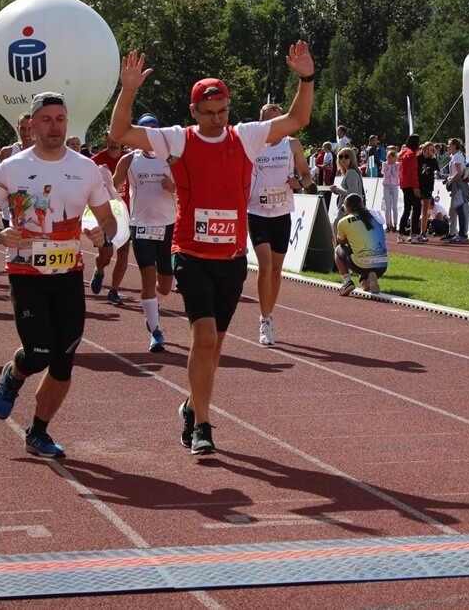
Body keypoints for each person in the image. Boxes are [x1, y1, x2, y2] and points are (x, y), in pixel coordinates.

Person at [110, 41, 315, 455]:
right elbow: (120, 134)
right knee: (203, 339)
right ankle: (204, 424)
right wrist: (128, 89)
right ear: (194, 112)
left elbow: (298, 118)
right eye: (208, 114)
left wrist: (306, 78)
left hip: (232, 260)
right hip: (191, 255)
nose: (217, 120)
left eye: (222, 112)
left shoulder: (246, 136)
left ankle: (190, 404)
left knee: (215, 347)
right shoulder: (177, 140)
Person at [0, 92, 116, 458]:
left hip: (68, 276)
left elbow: (108, 217)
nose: (55, 126)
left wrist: (104, 233)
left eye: (61, 119)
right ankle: (14, 375)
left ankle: (38, 432)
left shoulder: (86, 168)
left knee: (64, 359)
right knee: (38, 353)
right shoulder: (12, 167)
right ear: (32, 124)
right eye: (47, 120)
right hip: (26, 274)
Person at [247, 102, 313, 346]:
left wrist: (299, 181)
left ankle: (268, 314)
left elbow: (306, 175)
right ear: (262, 123)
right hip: (256, 212)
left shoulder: (292, 145)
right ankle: (264, 321)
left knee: (276, 271)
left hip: (282, 213)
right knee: (264, 267)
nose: (276, 125)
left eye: (279, 120)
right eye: (271, 121)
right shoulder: (253, 145)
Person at [112, 113, 177, 352]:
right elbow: (113, 186)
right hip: (141, 225)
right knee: (148, 278)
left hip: (168, 224)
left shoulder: (171, 159)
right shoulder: (129, 160)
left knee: (166, 284)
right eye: (145, 131)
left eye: (154, 130)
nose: (150, 135)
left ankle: (151, 308)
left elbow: (189, 187)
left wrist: (174, 187)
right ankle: (155, 330)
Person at [90, 130, 131, 305]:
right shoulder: (94, 162)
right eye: (110, 137)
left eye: (117, 137)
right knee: (105, 256)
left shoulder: (130, 159)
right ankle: (99, 269)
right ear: (105, 138)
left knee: (123, 252)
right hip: (105, 214)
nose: (114, 141)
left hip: (126, 213)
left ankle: (114, 290)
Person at [335, 193, 387, 296]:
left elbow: (341, 242)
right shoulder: (375, 215)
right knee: (363, 285)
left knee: (337, 250)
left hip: (360, 264)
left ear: (348, 207)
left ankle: (347, 282)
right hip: (382, 265)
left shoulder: (343, 222)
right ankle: (369, 277)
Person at [397, 134, 423, 243]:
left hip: (404, 184)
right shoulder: (412, 155)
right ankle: (414, 235)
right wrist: (415, 187)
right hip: (411, 184)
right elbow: (412, 173)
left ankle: (401, 234)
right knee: (416, 208)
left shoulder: (404, 153)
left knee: (407, 209)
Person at [442, 138, 468, 241]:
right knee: (453, 211)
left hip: (458, 185)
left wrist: (450, 181)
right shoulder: (454, 156)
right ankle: (452, 232)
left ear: (454, 145)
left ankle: (462, 234)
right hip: (455, 184)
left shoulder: (457, 156)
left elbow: (459, 172)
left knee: (459, 210)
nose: (447, 146)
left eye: (449, 145)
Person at [417, 142, 438, 236]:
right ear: (424, 149)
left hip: (428, 186)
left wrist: (433, 158)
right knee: (416, 209)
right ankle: (413, 230)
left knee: (425, 209)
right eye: (428, 149)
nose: (429, 151)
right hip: (419, 186)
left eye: (431, 149)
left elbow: (437, 169)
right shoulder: (418, 158)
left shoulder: (432, 160)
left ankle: (423, 231)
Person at [380, 146, 399, 234]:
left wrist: (392, 166)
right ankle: (388, 224)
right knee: (388, 206)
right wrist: (390, 166)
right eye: (390, 158)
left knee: (394, 206)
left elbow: (395, 174)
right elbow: (386, 174)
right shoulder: (384, 164)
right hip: (387, 186)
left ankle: (395, 224)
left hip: (394, 185)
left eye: (393, 158)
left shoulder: (397, 164)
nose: (392, 160)